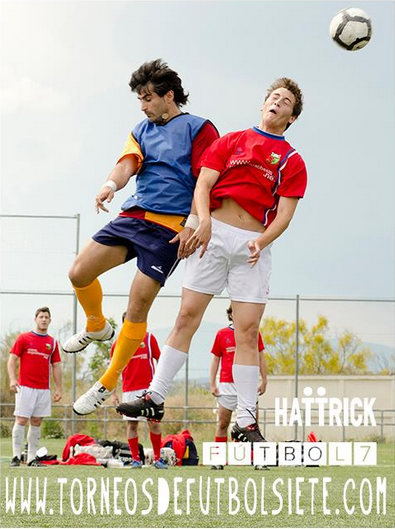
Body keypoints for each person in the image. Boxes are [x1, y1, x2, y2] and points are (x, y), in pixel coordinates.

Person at [117, 77, 307, 446]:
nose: (277, 103)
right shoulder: (230, 141)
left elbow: (284, 214)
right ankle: (155, 397)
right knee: (187, 316)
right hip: (213, 235)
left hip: (253, 246)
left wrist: (262, 241)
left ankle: (247, 419)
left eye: (285, 102)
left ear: (291, 117)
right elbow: (202, 186)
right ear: (263, 103)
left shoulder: (291, 160)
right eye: (273, 97)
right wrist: (201, 223)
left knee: (247, 331)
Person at [62, 59, 219, 415]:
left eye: (148, 98)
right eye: (140, 99)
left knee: (137, 305)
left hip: (170, 229)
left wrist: (194, 221)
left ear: (169, 96)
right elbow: (128, 163)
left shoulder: (200, 129)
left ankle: (106, 382)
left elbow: (205, 179)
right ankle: (96, 326)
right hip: (134, 215)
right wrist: (109, 185)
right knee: (78, 272)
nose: (143, 105)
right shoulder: (141, 129)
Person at [209, 306, 267, 470]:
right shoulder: (222, 334)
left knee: (252, 425)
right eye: (235, 311)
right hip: (227, 386)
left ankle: (258, 461)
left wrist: (264, 379)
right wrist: (213, 382)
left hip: (248, 386)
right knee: (222, 424)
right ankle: (218, 460)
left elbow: (261, 357)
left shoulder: (253, 332)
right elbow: (215, 360)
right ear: (230, 314)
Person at [7, 307, 62, 467]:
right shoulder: (24, 338)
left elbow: (56, 366)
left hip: (43, 389)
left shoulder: (52, 342)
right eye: (41, 317)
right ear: (35, 319)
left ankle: (32, 458)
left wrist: (59, 388)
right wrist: (12, 379)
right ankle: (16, 457)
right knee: (21, 419)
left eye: (46, 317)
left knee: (37, 421)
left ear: (50, 321)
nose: (44, 319)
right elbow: (12, 360)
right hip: (25, 387)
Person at [111, 312, 167, 469]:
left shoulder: (149, 339)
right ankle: (136, 459)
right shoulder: (118, 344)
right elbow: (113, 370)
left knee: (154, 423)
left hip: (150, 389)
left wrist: (160, 386)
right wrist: (114, 393)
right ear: (125, 324)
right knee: (132, 425)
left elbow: (161, 361)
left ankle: (157, 459)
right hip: (129, 390)